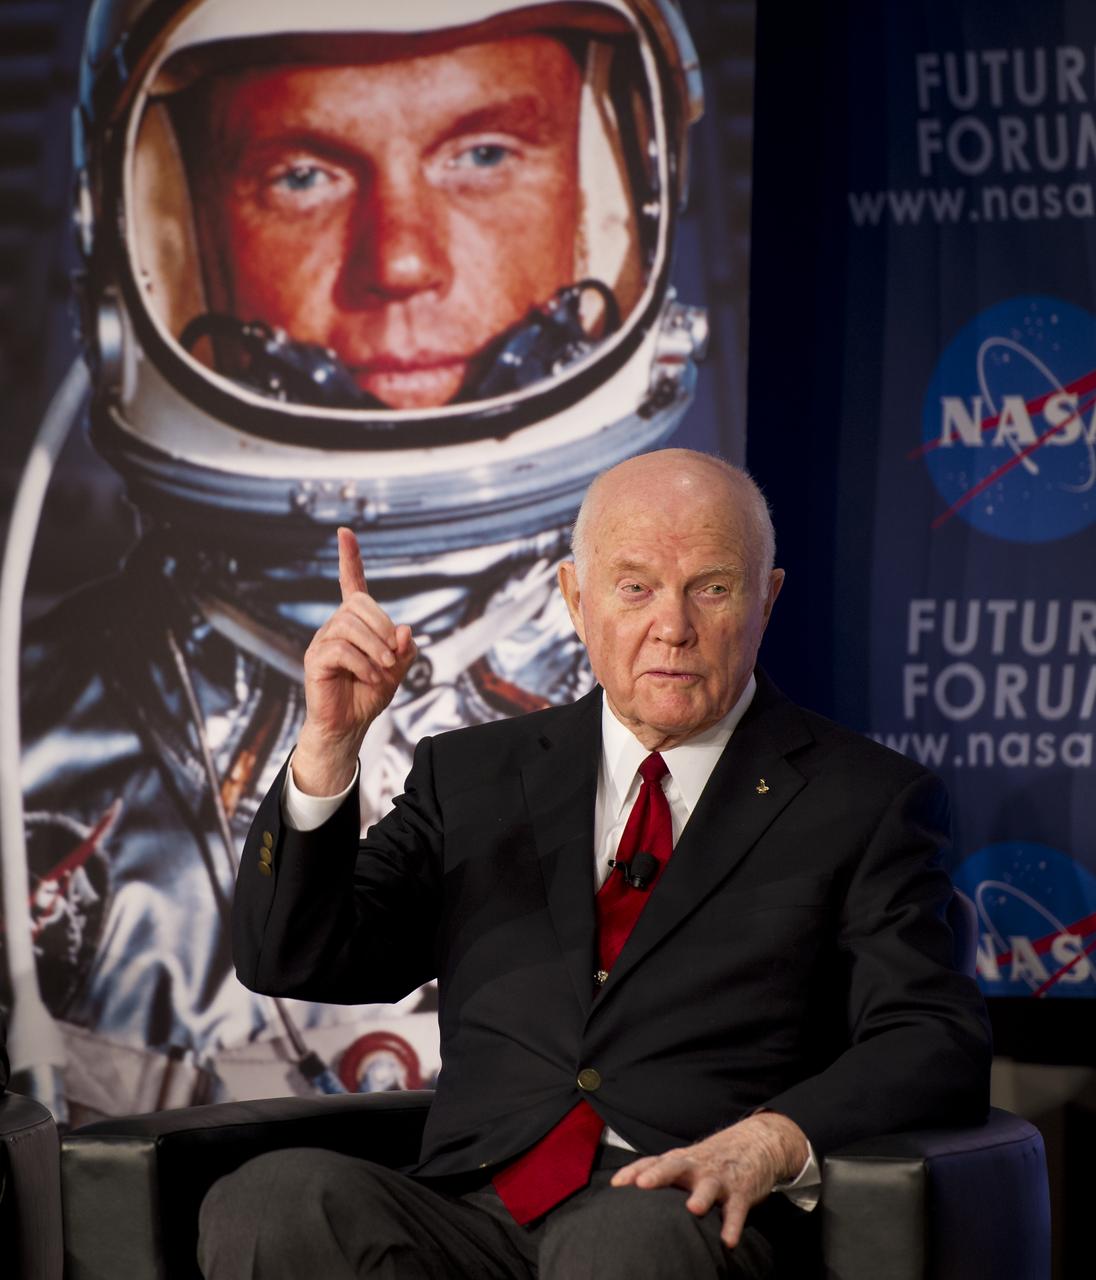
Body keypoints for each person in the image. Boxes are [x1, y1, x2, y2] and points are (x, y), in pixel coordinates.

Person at [10, 0, 707, 1119]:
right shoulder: (23, 749)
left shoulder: (712, 729)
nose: (403, 259)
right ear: (166, 229)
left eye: (484, 154)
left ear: (601, 206)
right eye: (302, 174)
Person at [200, 448, 992, 1278]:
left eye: (712, 587)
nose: (673, 626)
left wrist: (769, 1141)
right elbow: (295, 955)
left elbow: (932, 1036)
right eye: (635, 586)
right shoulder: (471, 775)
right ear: (576, 601)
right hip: (473, 1208)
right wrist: (329, 744)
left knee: (618, 1242)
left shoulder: (863, 801)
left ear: (768, 598)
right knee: (274, 1201)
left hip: (685, 1211)